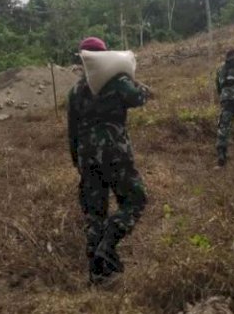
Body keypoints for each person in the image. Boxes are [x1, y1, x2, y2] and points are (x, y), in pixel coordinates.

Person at [67, 37, 150, 285]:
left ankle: (98, 272)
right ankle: (108, 245)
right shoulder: (119, 81)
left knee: (94, 212)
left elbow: (71, 130)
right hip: (115, 153)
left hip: (86, 157)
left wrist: (77, 160)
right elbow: (138, 98)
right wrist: (141, 87)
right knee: (136, 199)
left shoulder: (75, 90)